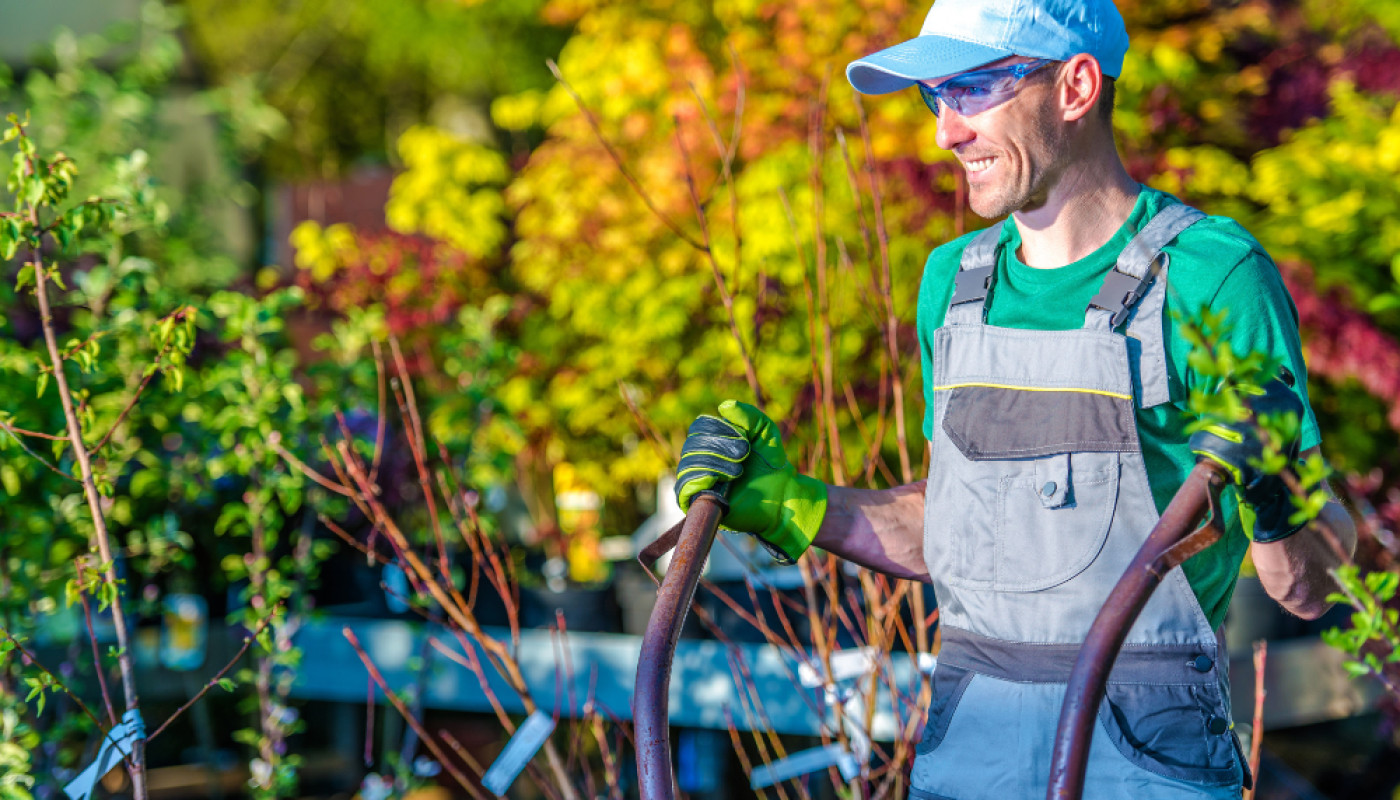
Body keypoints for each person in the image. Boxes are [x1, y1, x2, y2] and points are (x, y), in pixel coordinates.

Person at [674, 0, 1359, 797]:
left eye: (974, 89)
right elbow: (959, 530)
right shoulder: (955, 286)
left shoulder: (1211, 278)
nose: (946, 131)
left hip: (1144, 767)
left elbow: (1309, 585)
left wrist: (1277, 498)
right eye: (938, 96)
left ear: (1074, 87)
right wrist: (791, 502)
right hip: (971, 756)